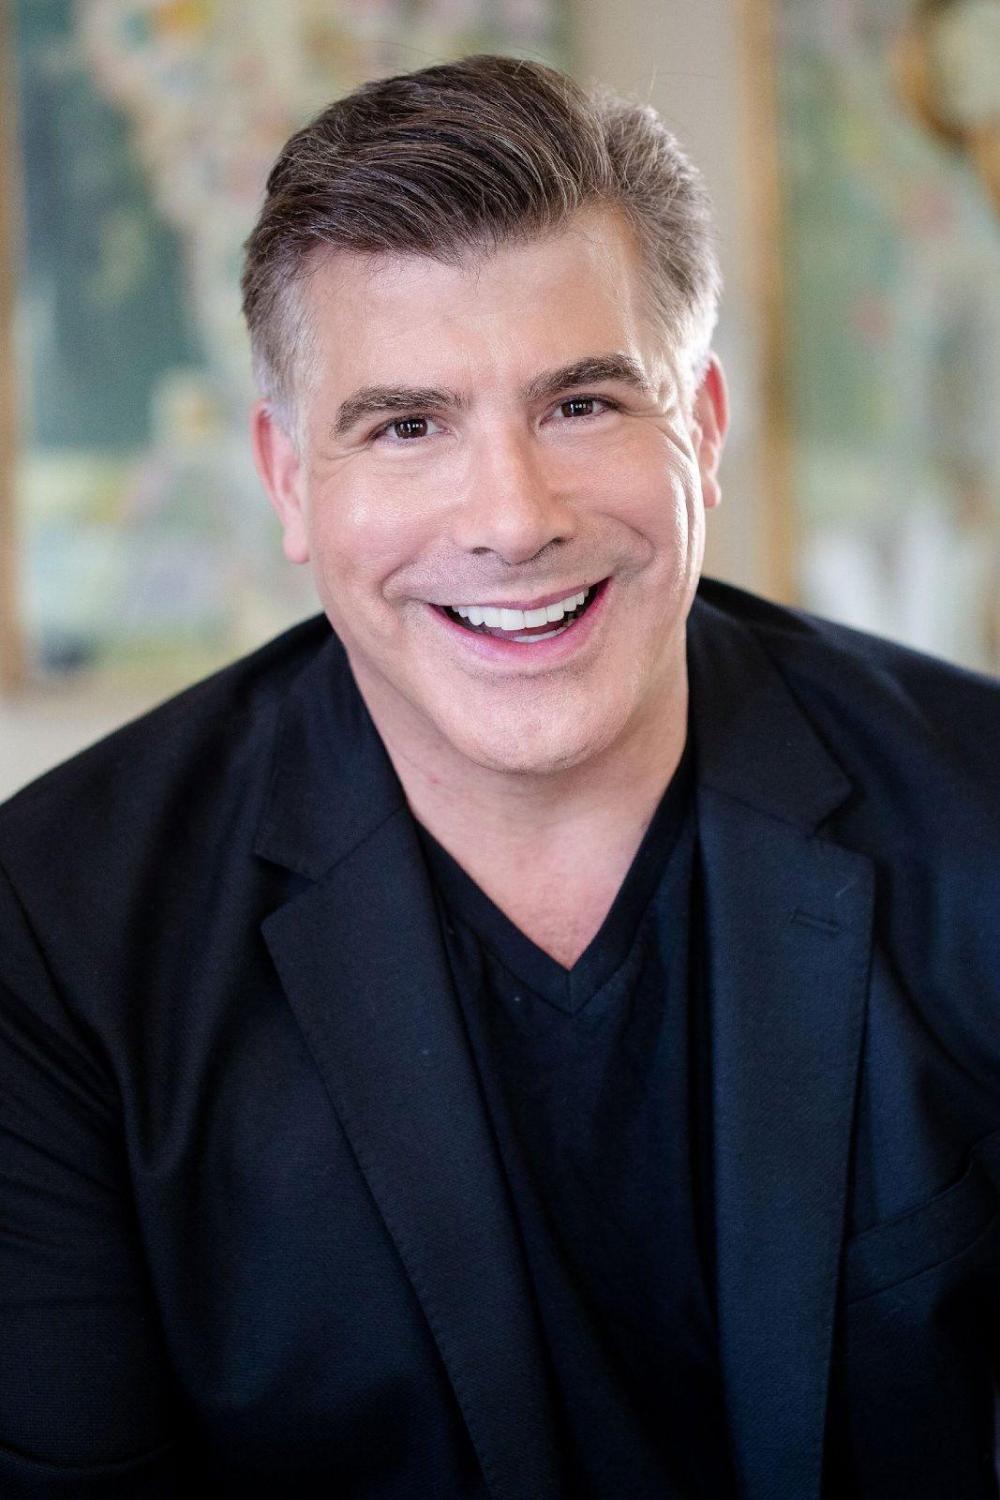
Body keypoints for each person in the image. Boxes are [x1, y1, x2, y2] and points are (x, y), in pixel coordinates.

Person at [0, 54, 998, 1500]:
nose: (513, 520)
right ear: (288, 480)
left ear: (704, 430)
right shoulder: (55, 939)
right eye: (407, 426)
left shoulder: (981, 814)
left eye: (582, 404)